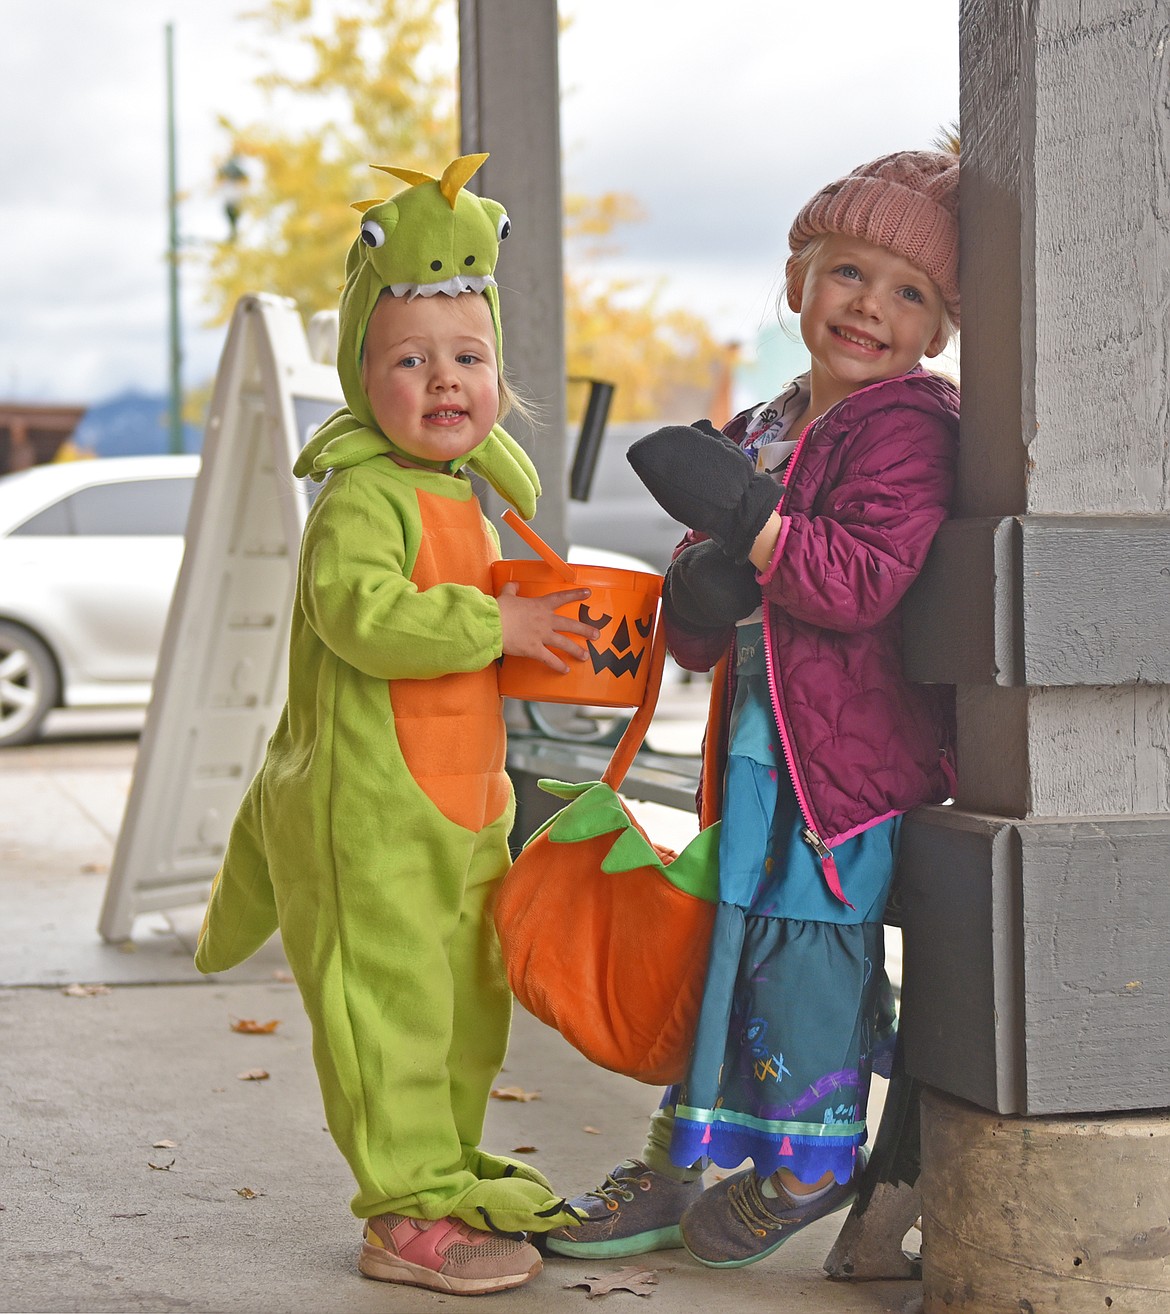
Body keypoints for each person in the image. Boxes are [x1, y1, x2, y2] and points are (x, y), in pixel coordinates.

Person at [545, 147, 960, 1270]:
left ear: (937, 330)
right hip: (751, 746)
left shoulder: (910, 427)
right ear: (797, 284)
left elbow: (865, 578)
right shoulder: (766, 421)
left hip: (843, 769)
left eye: (907, 292)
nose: (869, 306)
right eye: (846, 273)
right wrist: (696, 583)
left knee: (811, 951)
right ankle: (678, 1162)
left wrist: (754, 522)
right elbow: (695, 622)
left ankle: (812, 1162)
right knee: (721, 951)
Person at [194, 155, 591, 1296]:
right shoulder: (362, 496)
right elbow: (365, 619)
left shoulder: (458, 492)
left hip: (457, 809)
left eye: (468, 358)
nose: (445, 380)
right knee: (385, 1008)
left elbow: (477, 643)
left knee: (462, 1003)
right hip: (364, 814)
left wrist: (543, 634)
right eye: (410, 360)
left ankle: (445, 1165)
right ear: (361, 378)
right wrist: (495, 620)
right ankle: (403, 1214)